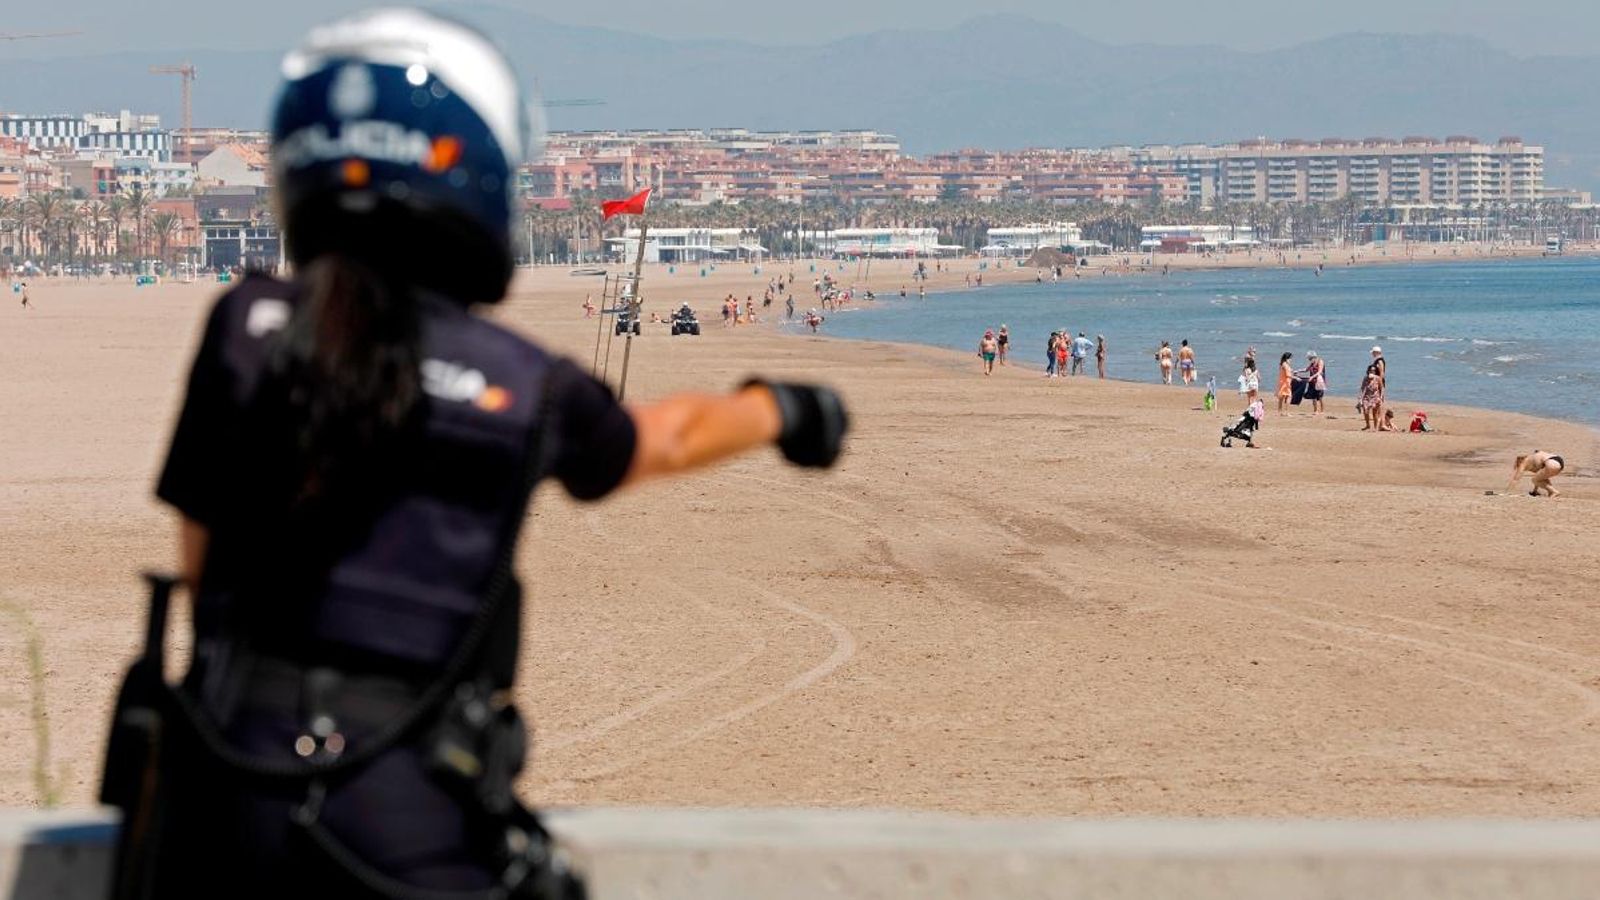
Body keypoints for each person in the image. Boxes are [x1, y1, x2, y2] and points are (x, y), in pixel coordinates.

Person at [107, 12, 850, 897]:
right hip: (402, 806)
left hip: (223, 789)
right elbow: (665, 439)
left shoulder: (246, 329)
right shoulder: (521, 381)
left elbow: (203, 569)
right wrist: (778, 409)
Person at [1358, 363, 1384, 430]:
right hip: (1367, 397)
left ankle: (1375, 427)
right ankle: (1368, 425)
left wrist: (1381, 397)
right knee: (1365, 411)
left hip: (1375, 397)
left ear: (1375, 371)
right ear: (1368, 371)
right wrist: (1360, 398)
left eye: (1374, 370)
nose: (1372, 372)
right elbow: (1362, 388)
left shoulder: (1378, 378)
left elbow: (1381, 388)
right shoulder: (1366, 378)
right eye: (1371, 370)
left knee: (1374, 413)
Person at [1301, 351, 1326, 415]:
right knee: (1313, 397)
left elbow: (1319, 371)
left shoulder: (1320, 361)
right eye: (1309, 358)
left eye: (1310, 358)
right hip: (1312, 382)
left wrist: (1312, 377)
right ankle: (1315, 410)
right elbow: (1306, 369)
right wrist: (1297, 371)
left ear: (1314, 357)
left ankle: (1322, 411)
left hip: (1319, 382)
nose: (1309, 360)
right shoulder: (1312, 363)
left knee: (1320, 397)